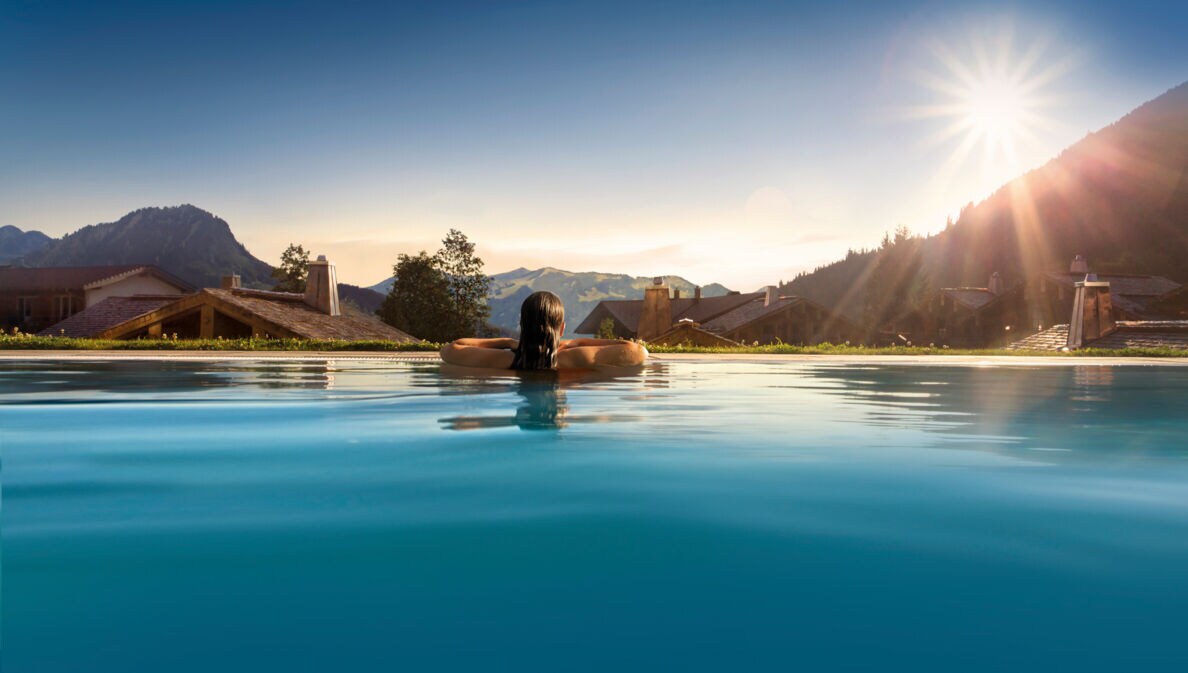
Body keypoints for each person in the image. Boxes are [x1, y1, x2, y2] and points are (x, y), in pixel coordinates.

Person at [440, 291, 647, 369]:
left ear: (522, 326)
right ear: (562, 328)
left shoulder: (503, 361)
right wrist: (575, 342)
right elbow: (638, 351)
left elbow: (450, 349)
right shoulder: (575, 358)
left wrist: (507, 342)